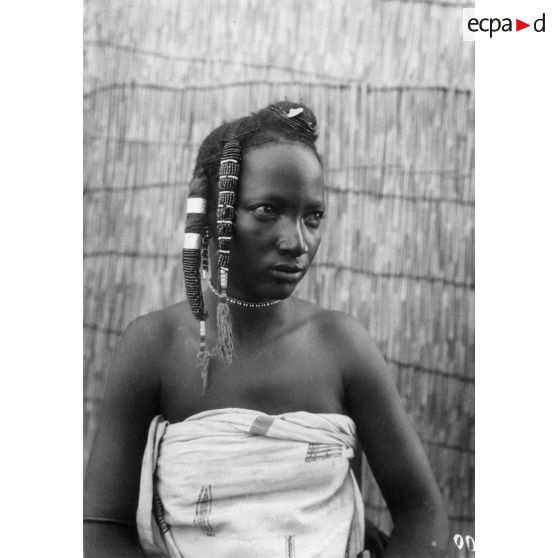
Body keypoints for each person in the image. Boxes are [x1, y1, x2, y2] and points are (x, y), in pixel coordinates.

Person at [84, 101, 449, 558]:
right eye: (267, 210)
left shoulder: (341, 346)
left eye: (312, 216)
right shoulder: (154, 347)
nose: (296, 241)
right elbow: (100, 528)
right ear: (214, 217)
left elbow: (421, 512)